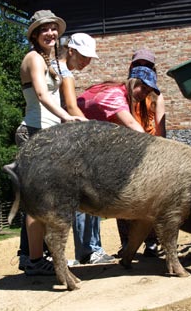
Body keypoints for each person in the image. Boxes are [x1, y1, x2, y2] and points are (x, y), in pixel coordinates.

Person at [15, 10, 86, 276]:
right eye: (44, 29)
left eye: (54, 29)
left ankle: (32, 256)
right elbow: (43, 96)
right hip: (35, 132)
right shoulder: (34, 58)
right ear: (34, 34)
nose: (50, 33)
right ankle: (34, 260)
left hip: (47, 133)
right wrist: (68, 117)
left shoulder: (49, 60)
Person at [76, 65, 165, 256]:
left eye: (149, 91)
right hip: (76, 146)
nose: (145, 94)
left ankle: (92, 250)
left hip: (86, 145)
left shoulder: (115, 91)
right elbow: (132, 125)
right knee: (83, 200)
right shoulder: (115, 96)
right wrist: (159, 152)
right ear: (134, 82)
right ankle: (87, 251)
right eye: (144, 88)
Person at [57, 33, 115, 264]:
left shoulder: (57, 69)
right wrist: (93, 131)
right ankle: (89, 250)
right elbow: (70, 107)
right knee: (86, 193)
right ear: (71, 50)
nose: (87, 62)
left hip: (65, 140)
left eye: (90, 58)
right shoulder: (63, 72)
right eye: (83, 56)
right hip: (68, 142)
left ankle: (88, 249)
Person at [117, 48, 166, 257]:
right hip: (126, 151)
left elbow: (160, 128)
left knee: (150, 199)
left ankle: (151, 242)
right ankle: (127, 242)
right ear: (131, 67)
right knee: (123, 198)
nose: (141, 69)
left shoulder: (156, 97)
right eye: (138, 65)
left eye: (146, 66)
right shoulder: (122, 93)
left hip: (149, 151)